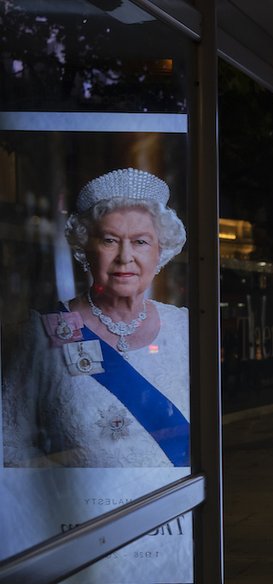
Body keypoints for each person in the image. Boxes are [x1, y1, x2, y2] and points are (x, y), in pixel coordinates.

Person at [2, 168, 189, 468]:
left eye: (140, 242)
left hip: (174, 511)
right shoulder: (39, 334)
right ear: (85, 250)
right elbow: (9, 446)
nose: (125, 256)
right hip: (84, 514)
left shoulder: (184, 328)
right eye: (110, 240)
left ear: (160, 252)